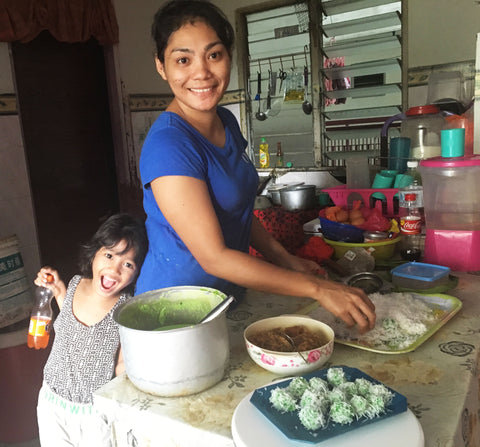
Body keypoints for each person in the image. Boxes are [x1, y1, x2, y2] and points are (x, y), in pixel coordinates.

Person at [136, 0, 375, 333]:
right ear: (162, 67)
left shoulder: (225, 121)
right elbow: (213, 257)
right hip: (178, 316)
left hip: (225, 299)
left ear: (229, 57)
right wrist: (318, 289)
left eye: (213, 55)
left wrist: (284, 258)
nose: (202, 72)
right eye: (183, 59)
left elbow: (237, 212)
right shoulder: (169, 145)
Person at [35, 213, 148, 446]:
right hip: (51, 402)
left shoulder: (126, 308)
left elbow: (122, 367)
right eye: (109, 255)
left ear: (137, 272)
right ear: (94, 253)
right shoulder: (75, 282)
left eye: (127, 264)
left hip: (95, 414)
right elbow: (70, 323)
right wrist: (57, 289)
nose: (114, 269)